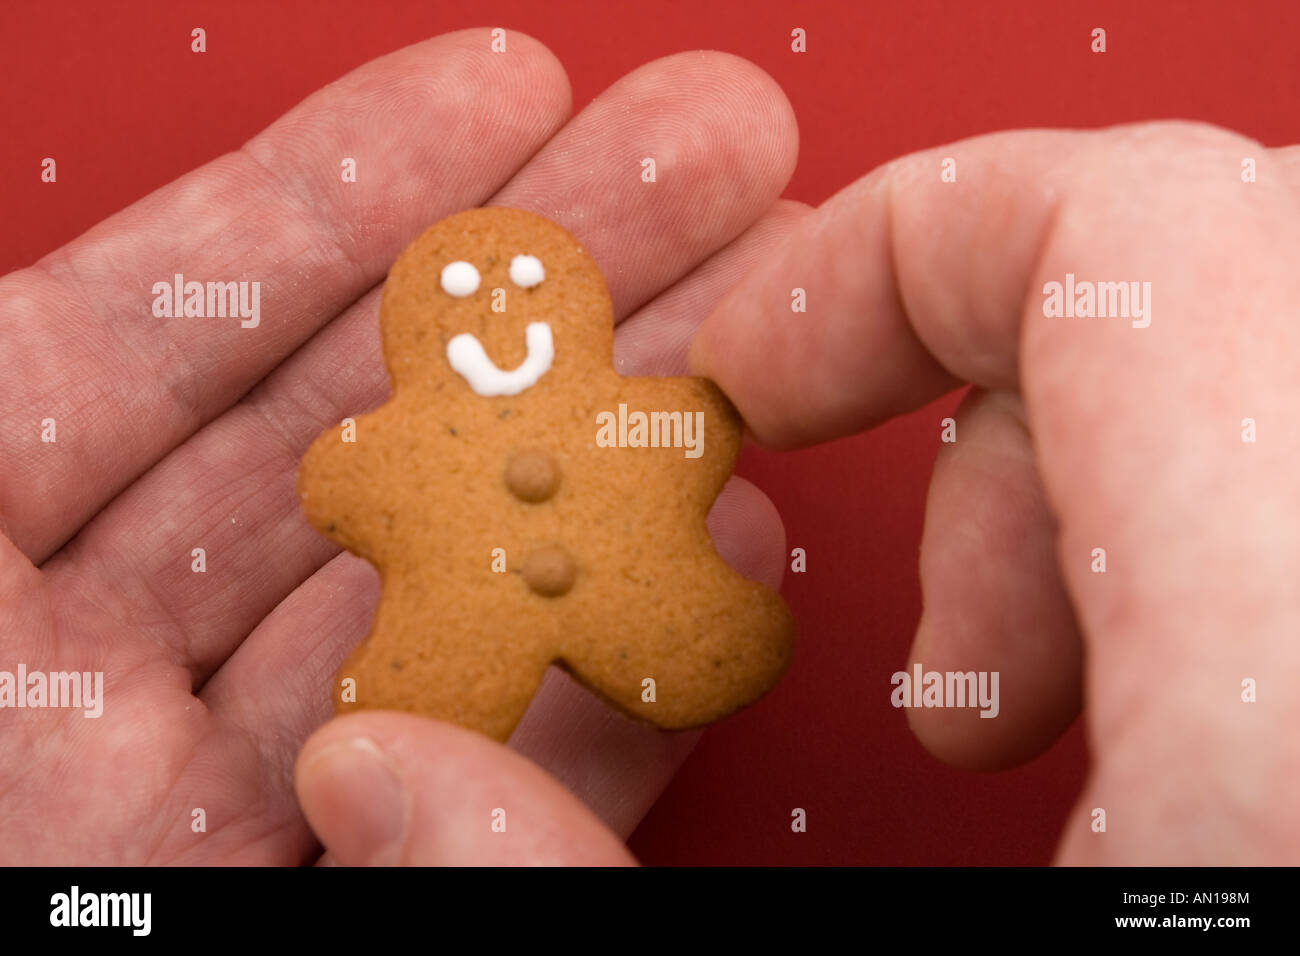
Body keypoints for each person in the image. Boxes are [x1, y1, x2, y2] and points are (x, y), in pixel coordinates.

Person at [2, 31, 1294, 865]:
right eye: (470, 307)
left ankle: (695, 638)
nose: (500, 321)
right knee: (418, 691)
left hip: (632, 591)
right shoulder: (400, 443)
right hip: (462, 622)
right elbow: (350, 477)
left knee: (694, 634)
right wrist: (359, 471)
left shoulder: (634, 411)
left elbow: (679, 427)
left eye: (523, 297)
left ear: (567, 313)